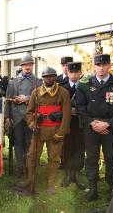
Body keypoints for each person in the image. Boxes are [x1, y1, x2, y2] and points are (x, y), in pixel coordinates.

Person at [76, 54, 113, 201]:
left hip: (110, 127)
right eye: (98, 65)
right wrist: (92, 123)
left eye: (104, 65)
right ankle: (93, 187)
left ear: (109, 66)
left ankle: (111, 188)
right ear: (94, 66)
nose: (101, 68)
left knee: (111, 158)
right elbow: (80, 106)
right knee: (92, 158)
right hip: (91, 127)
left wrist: (108, 123)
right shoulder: (85, 84)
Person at [16, 66, 71, 195]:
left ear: (55, 77)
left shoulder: (63, 93)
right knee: (31, 156)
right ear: (43, 78)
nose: (49, 78)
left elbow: (67, 115)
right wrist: (31, 124)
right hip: (38, 131)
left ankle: (51, 184)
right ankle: (30, 179)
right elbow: (29, 112)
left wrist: (61, 133)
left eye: (51, 76)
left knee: (53, 158)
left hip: (55, 130)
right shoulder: (36, 92)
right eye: (46, 76)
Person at [5, 55, 41, 178]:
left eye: (30, 64)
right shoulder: (13, 82)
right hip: (16, 117)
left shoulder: (38, 81)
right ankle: (19, 166)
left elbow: (41, 99)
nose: (28, 67)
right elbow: (8, 100)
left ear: (33, 66)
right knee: (18, 142)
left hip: (31, 117)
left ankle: (28, 165)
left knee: (29, 143)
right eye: (25, 65)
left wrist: (27, 99)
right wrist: (7, 117)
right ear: (21, 66)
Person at [59, 62, 85, 189]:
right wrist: (69, 111)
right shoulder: (62, 87)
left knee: (80, 148)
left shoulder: (85, 86)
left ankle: (77, 174)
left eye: (76, 72)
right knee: (67, 148)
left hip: (80, 123)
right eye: (71, 72)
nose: (74, 75)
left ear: (80, 73)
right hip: (67, 123)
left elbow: (89, 105)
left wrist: (78, 111)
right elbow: (57, 106)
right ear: (67, 73)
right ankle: (68, 174)